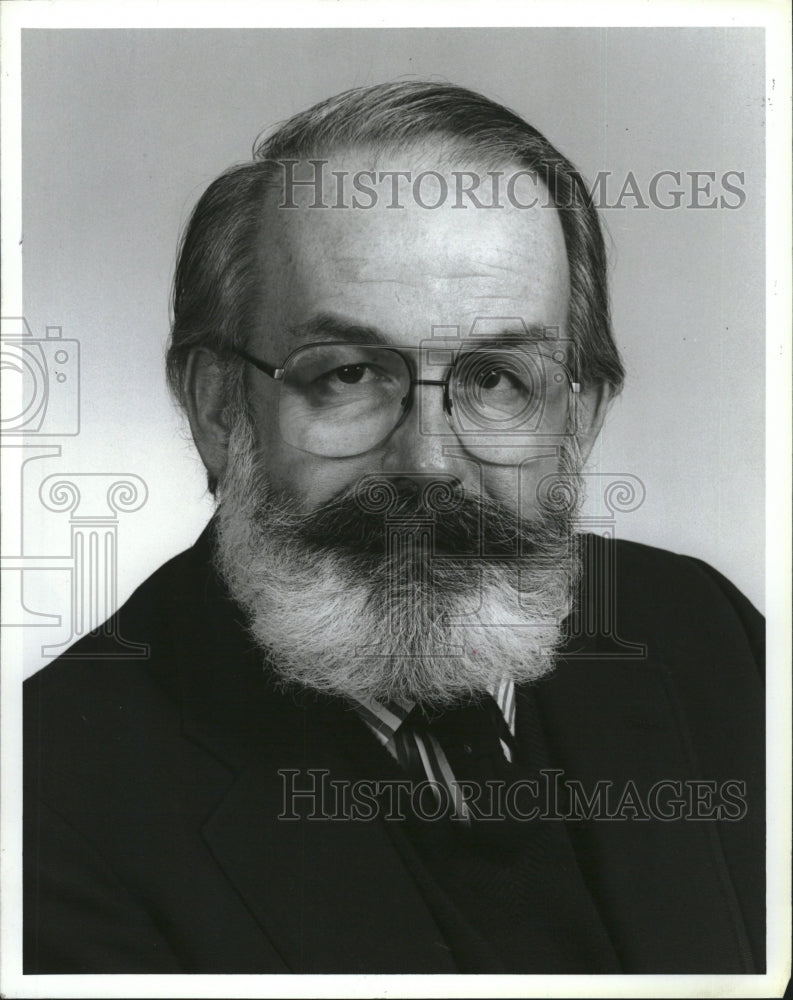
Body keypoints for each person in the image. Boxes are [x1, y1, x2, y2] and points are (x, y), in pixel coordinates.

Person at [23, 81, 764, 975]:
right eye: (345, 375)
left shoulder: (703, 631)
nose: (427, 463)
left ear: (582, 415)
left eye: (494, 378)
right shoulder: (45, 805)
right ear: (219, 407)